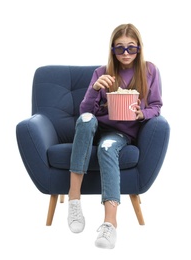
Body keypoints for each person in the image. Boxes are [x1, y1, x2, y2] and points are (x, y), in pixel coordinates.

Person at [67, 23, 162, 249]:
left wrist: (142, 114)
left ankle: (110, 223)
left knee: (107, 148)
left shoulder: (149, 71)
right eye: (120, 49)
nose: (126, 53)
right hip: (94, 126)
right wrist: (94, 89)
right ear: (112, 50)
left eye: (131, 48)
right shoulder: (101, 73)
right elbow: (85, 112)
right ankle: (73, 199)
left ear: (139, 48)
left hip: (120, 134)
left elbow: (157, 105)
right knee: (86, 120)